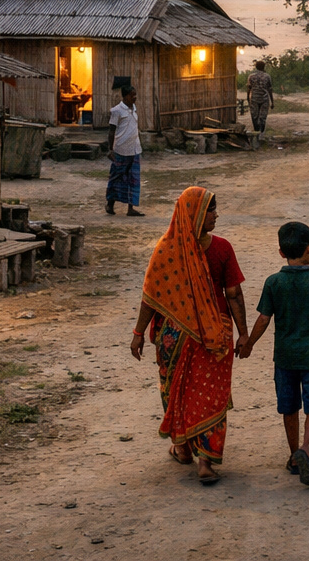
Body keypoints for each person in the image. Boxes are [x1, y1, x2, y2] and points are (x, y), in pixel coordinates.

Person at [130, 187, 250, 485]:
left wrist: (138, 333)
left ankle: (184, 447)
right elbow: (233, 294)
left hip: (174, 335)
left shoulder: (165, 250)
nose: (215, 215)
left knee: (177, 390)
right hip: (214, 334)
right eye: (210, 210)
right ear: (194, 213)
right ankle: (203, 461)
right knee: (209, 396)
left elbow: (150, 297)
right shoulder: (222, 248)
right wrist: (243, 332)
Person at [243, 221, 309, 488]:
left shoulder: (273, 282)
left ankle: (294, 456)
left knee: (289, 407)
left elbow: (264, 319)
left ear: (280, 252)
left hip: (285, 358)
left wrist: (250, 343)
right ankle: (307, 449)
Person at [105, 84, 144, 217]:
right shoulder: (117, 111)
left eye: (135, 94)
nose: (135, 97)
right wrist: (110, 149)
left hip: (135, 149)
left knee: (134, 179)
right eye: (132, 95)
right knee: (117, 178)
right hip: (121, 150)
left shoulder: (134, 108)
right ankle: (110, 204)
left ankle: (131, 208)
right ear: (125, 96)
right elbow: (111, 131)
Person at [246, 58, 275, 133]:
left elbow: (249, 89)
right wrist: (272, 102)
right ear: (264, 67)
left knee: (254, 116)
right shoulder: (267, 76)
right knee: (263, 117)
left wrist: (248, 99)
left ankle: (256, 132)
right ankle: (261, 133)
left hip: (254, 99)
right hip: (264, 99)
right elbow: (270, 89)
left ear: (256, 67)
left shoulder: (251, 76)